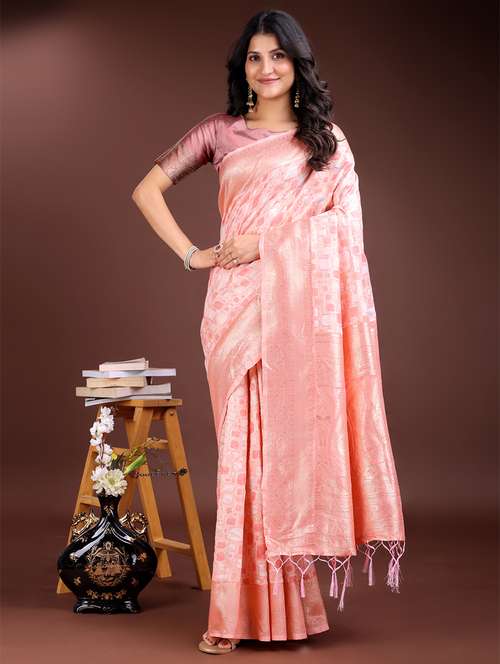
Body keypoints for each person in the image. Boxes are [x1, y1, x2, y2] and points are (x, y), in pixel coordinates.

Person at [132, 9, 406, 655]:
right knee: (242, 459)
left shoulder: (326, 143)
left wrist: (267, 241)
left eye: (278, 56)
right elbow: (146, 190)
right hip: (235, 310)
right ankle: (236, 614)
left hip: (297, 314)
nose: (267, 68)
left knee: (285, 454)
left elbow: (345, 230)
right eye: (255, 57)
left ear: (297, 63)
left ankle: (289, 612)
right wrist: (191, 253)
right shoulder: (220, 132)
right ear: (243, 68)